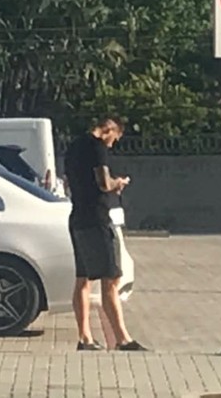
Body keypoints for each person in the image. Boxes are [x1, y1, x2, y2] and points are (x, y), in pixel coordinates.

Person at [63, 117, 147, 352]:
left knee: (83, 279)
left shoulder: (74, 146)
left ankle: (85, 338)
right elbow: (102, 182)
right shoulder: (97, 147)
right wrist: (117, 183)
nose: (112, 145)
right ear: (109, 130)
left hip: (77, 216)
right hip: (96, 219)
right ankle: (123, 339)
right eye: (114, 139)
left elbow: (69, 183)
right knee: (110, 278)